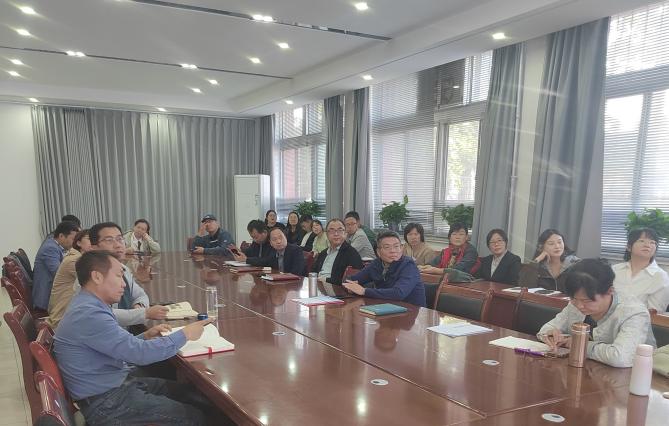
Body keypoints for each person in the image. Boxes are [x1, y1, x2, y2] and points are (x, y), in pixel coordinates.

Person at [54, 250, 211, 425]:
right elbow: (139, 354)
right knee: (194, 417)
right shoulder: (89, 314)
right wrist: (185, 334)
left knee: (186, 393)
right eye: (118, 276)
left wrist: (145, 336)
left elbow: (118, 346)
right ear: (97, 277)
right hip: (106, 402)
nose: (123, 284)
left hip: (113, 385)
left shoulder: (88, 304)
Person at [537, 258, 655, 368]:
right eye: (573, 298)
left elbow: (620, 357)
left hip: (632, 377)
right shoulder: (576, 303)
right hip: (585, 369)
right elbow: (546, 329)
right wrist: (550, 335)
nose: (579, 306)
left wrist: (580, 345)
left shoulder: (634, 313)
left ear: (610, 291)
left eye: (587, 301)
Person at [87, 222, 168, 326]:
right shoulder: (90, 275)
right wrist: (143, 313)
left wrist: (138, 307)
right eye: (109, 240)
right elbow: (101, 314)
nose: (118, 245)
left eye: (120, 239)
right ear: (94, 248)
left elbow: (140, 295)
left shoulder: (124, 269)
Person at [344, 231, 426, 307]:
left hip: (411, 312)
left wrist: (364, 291)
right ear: (378, 252)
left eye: (396, 246)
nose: (393, 251)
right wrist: (349, 286)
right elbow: (350, 280)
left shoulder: (408, 265)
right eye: (387, 247)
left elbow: (399, 293)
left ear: (401, 248)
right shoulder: (376, 264)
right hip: (385, 308)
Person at [613, 228, 669, 312]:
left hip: (641, 320)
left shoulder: (660, 276)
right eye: (641, 241)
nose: (647, 245)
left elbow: (654, 312)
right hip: (607, 318)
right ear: (629, 247)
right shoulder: (614, 270)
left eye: (652, 242)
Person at [47, 229, 92, 329]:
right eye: (89, 239)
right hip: (63, 319)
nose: (93, 242)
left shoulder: (80, 258)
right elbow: (96, 283)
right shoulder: (75, 260)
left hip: (71, 314)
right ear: (79, 243)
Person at [32, 221, 80, 310]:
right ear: (61, 236)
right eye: (73, 239)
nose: (75, 243)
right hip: (46, 298)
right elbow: (59, 274)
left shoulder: (54, 245)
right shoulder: (50, 248)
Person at [233, 228, 306, 276]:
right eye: (274, 239)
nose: (278, 241)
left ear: (285, 237)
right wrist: (246, 259)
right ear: (271, 243)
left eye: (281, 237)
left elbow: (296, 273)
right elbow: (264, 261)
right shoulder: (273, 252)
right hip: (279, 285)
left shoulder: (296, 250)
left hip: (294, 288)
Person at [312, 219, 364, 285]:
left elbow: (352, 280)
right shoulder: (323, 253)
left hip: (336, 289)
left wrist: (325, 280)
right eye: (332, 231)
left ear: (345, 233)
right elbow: (313, 272)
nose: (336, 234)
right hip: (317, 286)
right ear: (327, 234)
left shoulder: (351, 253)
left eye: (340, 230)